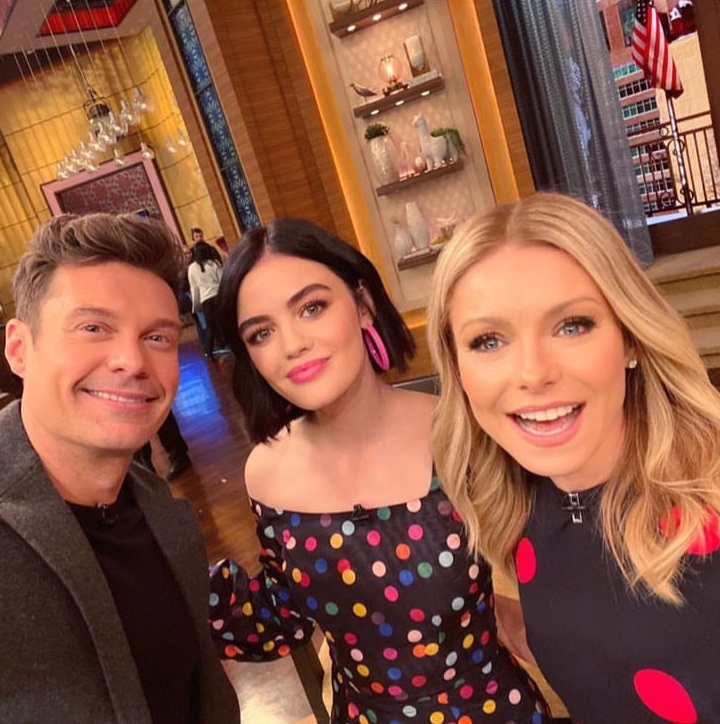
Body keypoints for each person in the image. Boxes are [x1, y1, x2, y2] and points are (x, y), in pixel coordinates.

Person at [209, 218, 548, 723]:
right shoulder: (267, 470)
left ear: (363, 304)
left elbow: (567, 555)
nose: (291, 343)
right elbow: (285, 616)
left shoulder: (461, 433)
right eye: (261, 333)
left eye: (312, 307)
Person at [426, 191, 720, 723]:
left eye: (572, 325)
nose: (533, 373)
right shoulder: (520, 506)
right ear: (458, 371)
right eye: (488, 341)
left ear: (631, 337)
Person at [1, 213, 240, 723]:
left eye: (157, 338)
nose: (132, 361)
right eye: (93, 328)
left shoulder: (162, 513)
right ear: (20, 349)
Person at [188, 239, 226, 359]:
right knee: (223, 323)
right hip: (218, 296)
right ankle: (232, 347)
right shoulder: (214, 263)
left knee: (210, 327)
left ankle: (209, 352)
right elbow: (222, 281)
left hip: (206, 300)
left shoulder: (192, 268)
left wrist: (196, 306)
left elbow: (194, 288)